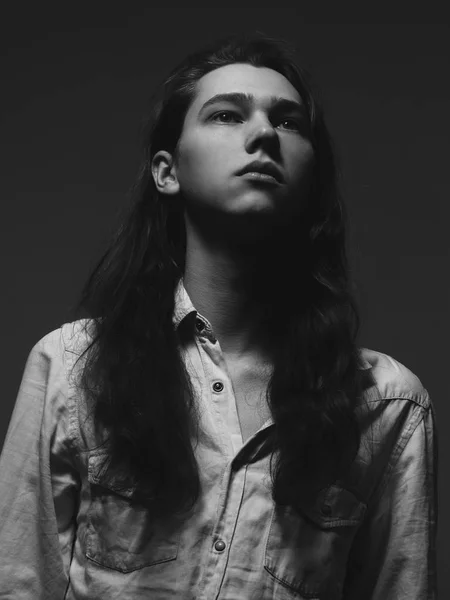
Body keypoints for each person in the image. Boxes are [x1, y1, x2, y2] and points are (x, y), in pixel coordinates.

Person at [0, 31, 438, 600]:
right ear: (167, 171)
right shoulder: (72, 366)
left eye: (288, 123)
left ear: (312, 182)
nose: (262, 134)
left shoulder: (388, 406)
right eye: (227, 115)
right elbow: (18, 581)